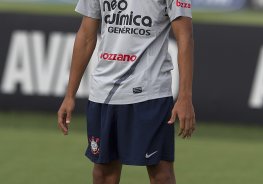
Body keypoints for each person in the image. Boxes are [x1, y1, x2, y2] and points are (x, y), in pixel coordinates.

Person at [58, 0, 196, 183]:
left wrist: (185, 96)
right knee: (103, 173)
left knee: (161, 174)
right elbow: (85, 35)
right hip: (104, 92)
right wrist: (69, 95)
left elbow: (185, 36)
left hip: (151, 92)